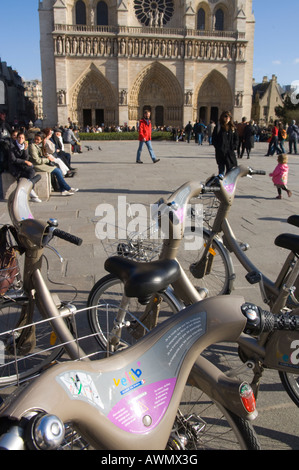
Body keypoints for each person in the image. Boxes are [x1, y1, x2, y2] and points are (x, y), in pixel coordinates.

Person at [8, 131, 41, 203]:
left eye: (22, 138)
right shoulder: (12, 146)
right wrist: (25, 162)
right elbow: (13, 159)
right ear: (16, 138)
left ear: (24, 139)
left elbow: (26, 158)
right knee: (20, 177)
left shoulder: (24, 146)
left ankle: (30, 190)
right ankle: (31, 194)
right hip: (14, 166)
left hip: (22, 165)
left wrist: (25, 149)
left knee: (31, 171)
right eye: (19, 138)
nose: (20, 139)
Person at [212, 111, 238, 176]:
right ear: (222, 117)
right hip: (220, 153)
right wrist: (218, 147)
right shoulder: (218, 127)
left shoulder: (233, 128)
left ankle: (227, 184)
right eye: (225, 117)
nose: (227, 119)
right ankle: (221, 183)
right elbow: (214, 139)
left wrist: (234, 146)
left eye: (229, 117)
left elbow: (236, 139)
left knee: (230, 170)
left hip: (229, 153)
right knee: (221, 170)